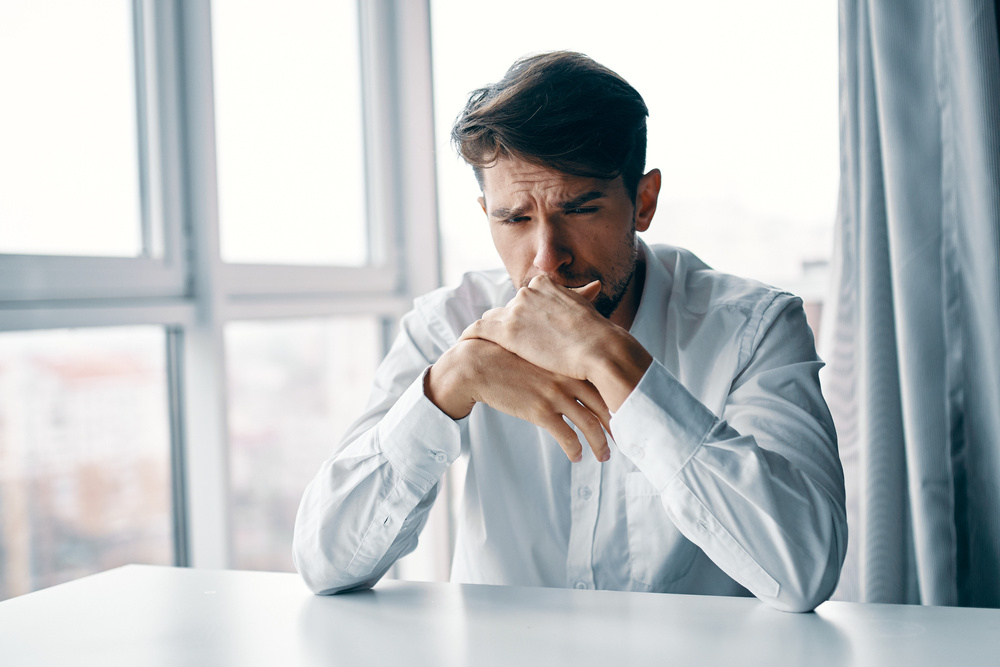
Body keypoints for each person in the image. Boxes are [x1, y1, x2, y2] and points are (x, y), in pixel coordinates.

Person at [293, 51, 847, 613]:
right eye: (514, 219)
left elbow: (804, 571)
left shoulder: (754, 331)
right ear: (486, 211)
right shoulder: (446, 326)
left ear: (644, 201)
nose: (546, 261)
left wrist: (611, 360)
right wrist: (448, 385)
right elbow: (323, 560)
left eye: (579, 209)